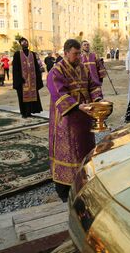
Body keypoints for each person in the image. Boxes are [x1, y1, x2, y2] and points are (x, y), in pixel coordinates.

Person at [47, 39, 103, 202]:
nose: (79, 56)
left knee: (85, 149)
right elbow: (59, 93)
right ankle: (64, 190)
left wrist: (97, 99)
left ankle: (84, 182)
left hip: (85, 118)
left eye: (79, 53)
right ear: (65, 53)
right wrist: (77, 106)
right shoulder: (56, 71)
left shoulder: (84, 68)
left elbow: (93, 86)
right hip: (67, 119)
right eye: (75, 53)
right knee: (69, 153)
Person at [12, 37, 43, 118]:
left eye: (26, 42)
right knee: (23, 97)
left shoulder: (32, 54)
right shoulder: (17, 54)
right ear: (20, 44)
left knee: (32, 95)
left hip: (32, 80)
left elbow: (36, 67)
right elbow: (15, 68)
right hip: (22, 81)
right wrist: (19, 79)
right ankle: (24, 112)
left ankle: (30, 111)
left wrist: (38, 78)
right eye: (23, 42)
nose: (25, 43)